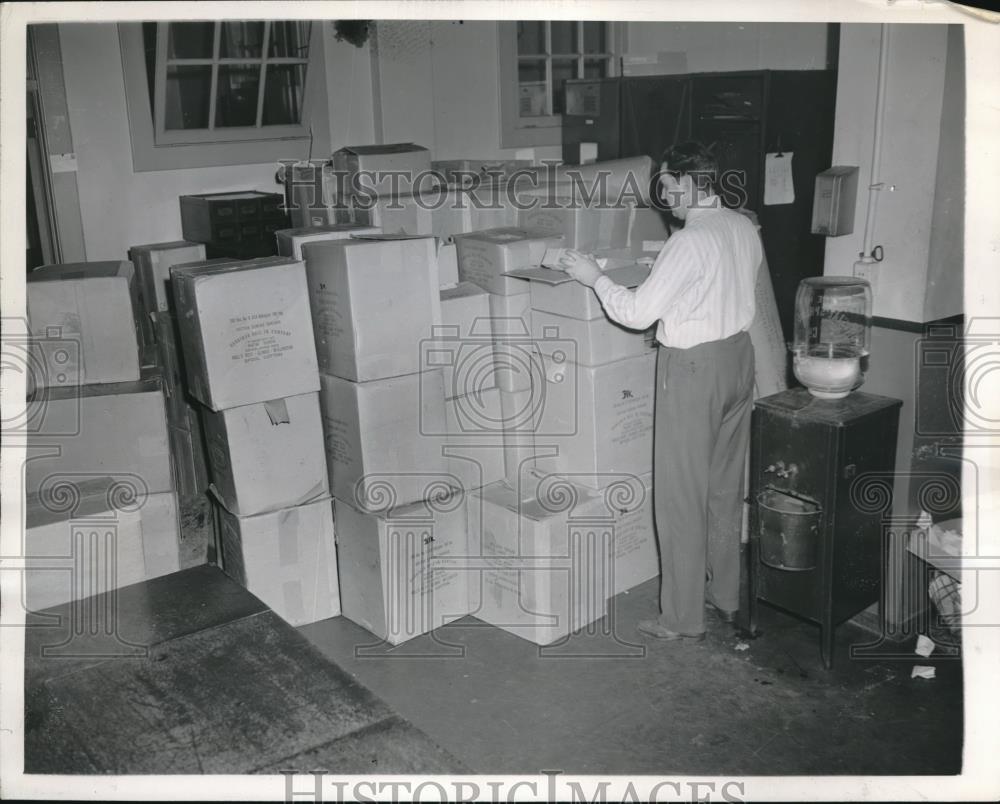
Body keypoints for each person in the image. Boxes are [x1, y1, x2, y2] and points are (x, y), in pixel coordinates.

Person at [558, 141, 762, 642]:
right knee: (723, 488)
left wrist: (595, 277)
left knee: (680, 496)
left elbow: (635, 314)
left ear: (693, 184)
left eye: (670, 187)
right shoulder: (742, 225)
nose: (665, 197)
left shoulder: (689, 241)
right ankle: (726, 594)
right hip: (738, 359)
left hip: (693, 370)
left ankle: (681, 618)